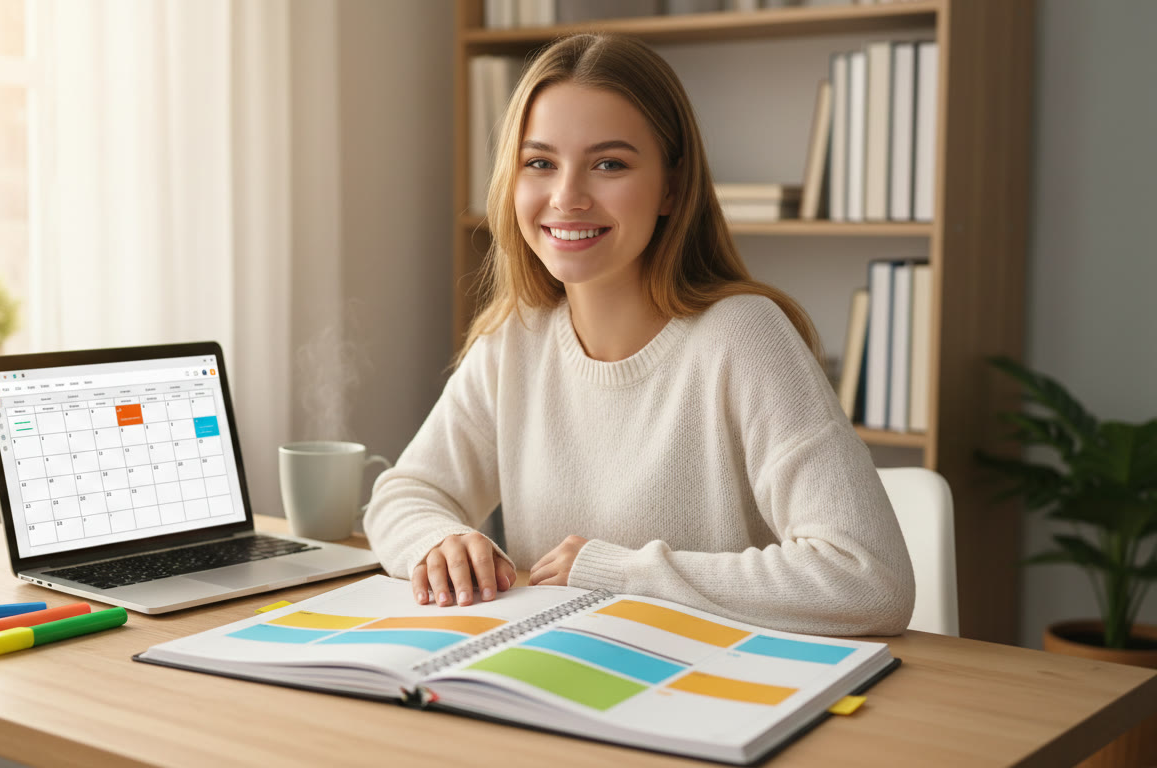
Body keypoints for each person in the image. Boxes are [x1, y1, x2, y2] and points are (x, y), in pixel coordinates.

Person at [364, 33, 915, 636]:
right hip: (558, 679)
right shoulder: (516, 338)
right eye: (540, 162)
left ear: (672, 188)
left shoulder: (744, 337)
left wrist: (621, 572)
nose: (567, 197)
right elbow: (404, 493)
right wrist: (437, 539)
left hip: (714, 693)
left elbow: (869, 579)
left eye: (609, 164)